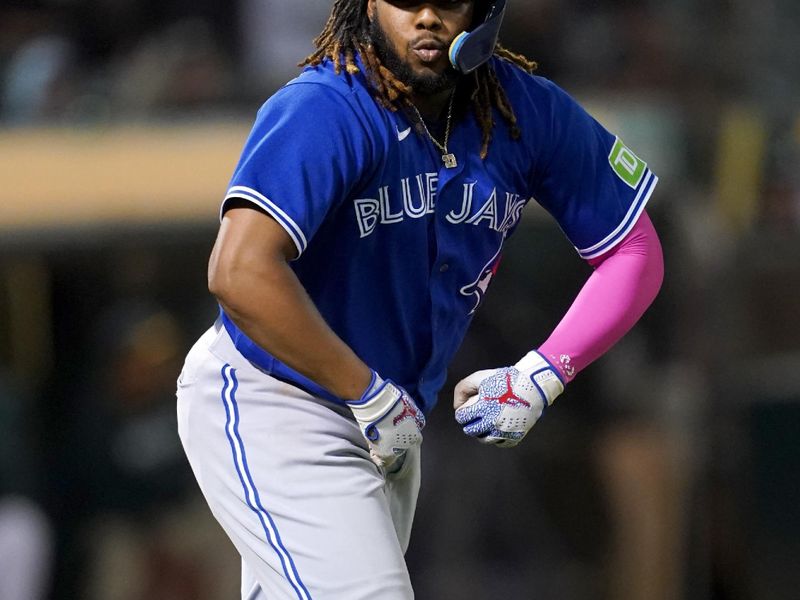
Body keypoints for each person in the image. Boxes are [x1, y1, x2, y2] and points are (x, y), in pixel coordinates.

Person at [176, 1, 664, 598]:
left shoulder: (524, 111)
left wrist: (541, 375)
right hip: (274, 400)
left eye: (448, 0)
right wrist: (364, 391)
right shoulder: (326, 105)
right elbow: (238, 270)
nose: (426, 16)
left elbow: (633, 250)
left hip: (391, 420)